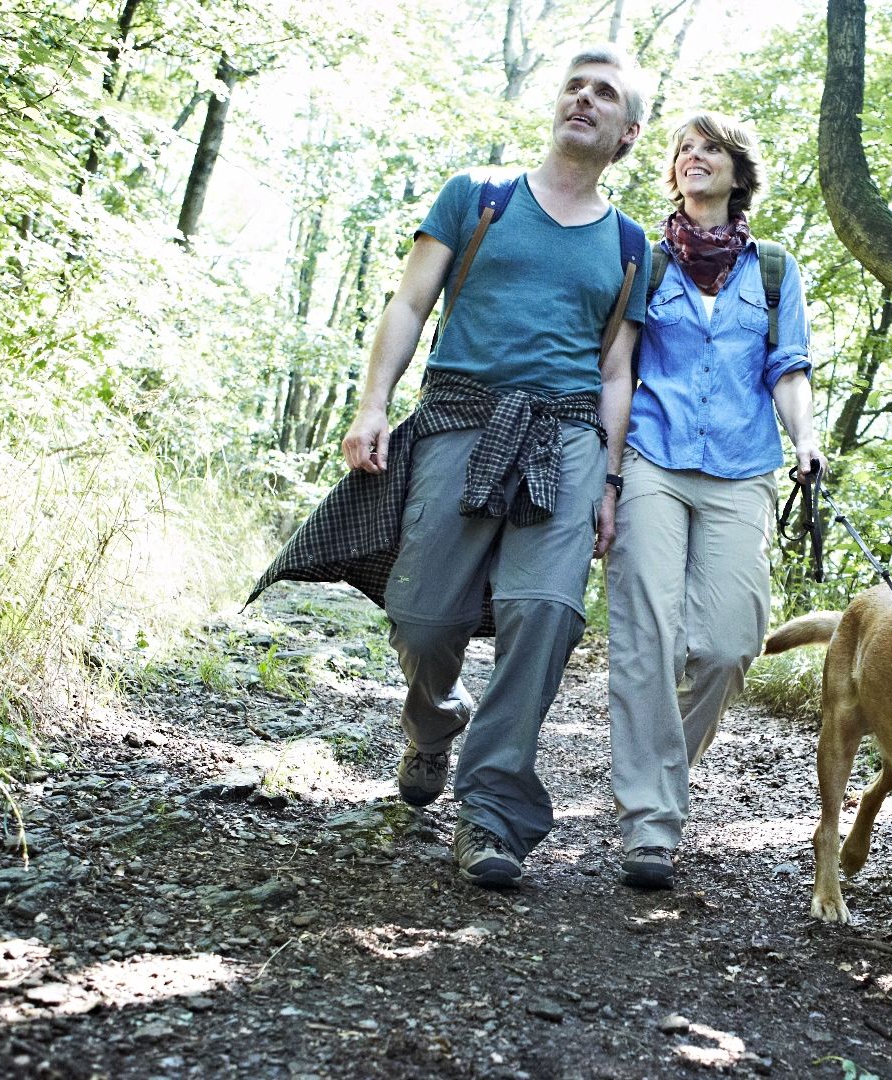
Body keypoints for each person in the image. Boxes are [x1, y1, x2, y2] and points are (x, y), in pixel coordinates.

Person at [248, 44, 651, 888]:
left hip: (568, 437)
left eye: (604, 93)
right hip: (461, 418)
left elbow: (617, 373)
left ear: (628, 132)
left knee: (543, 613)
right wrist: (372, 406)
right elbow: (408, 301)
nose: (582, 98)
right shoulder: (479, 197)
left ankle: (491, 812)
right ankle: (433, 725)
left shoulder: (627, 243)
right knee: (426, 618)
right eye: (573, 85)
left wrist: (610, 481)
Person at [607, 111, 822, 889]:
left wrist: (804, 438)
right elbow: (619, 368)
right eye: (684, 151)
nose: (695, 159)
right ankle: (651, 822)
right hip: (652, 460)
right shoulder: (645, 260)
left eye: (712, 150)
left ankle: (661, 766)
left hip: (742, 466)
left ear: (739, 172)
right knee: (648, 640)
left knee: (732, 643)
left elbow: (788, 368)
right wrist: (606, 469)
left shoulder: (774, 270)